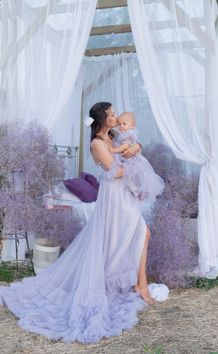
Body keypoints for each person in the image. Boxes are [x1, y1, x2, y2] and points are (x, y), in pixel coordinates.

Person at [0, 102, 163, 344]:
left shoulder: (114, 135)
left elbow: (133, 144)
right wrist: (133, 161)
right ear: (103, 118)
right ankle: (141, 285)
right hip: (113, 198)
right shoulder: (96, 144)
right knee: (141, 233)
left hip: (125, 196)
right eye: (112, 114)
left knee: (141, 234)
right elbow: (114, 172)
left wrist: (136, 147)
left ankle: (141, 284)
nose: (116, 117)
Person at [109, 111, 164, 201]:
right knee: (134, 177)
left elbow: (126, 145)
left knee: (135, 177)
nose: (121, 126)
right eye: (119, 124)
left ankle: (139, 192)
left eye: (124, 124)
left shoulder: (128, 133)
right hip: (126, 160)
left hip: (131, 160)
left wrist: (115, 150)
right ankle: (139, 192)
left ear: (132, 125)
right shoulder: (121, 132)